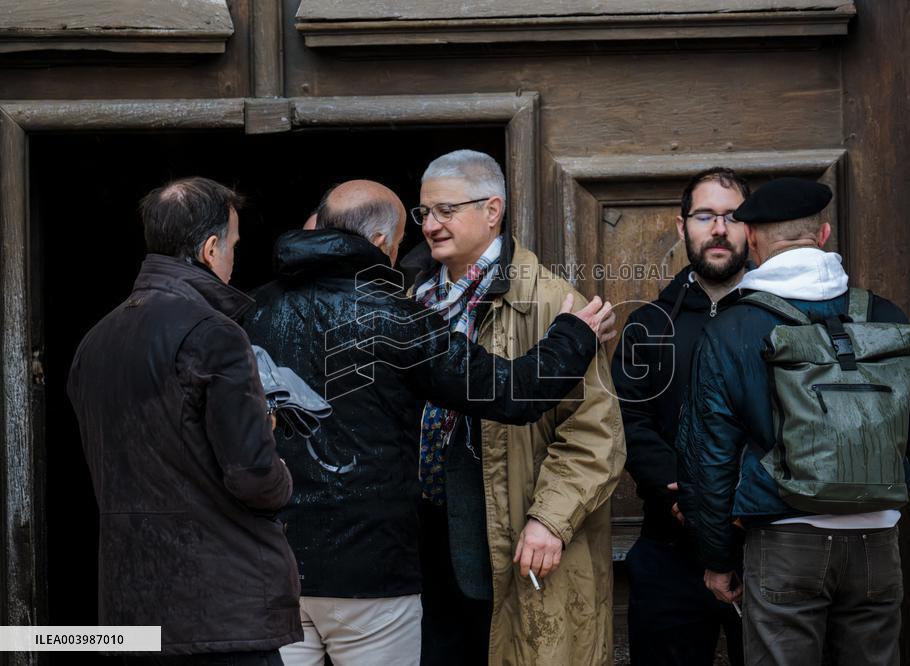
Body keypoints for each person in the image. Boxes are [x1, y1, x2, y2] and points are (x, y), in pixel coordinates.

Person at [241, 179, 615, 666]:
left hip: (275, 565)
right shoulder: (394, 315)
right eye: (399, 242)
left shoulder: (250, 311)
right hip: (372, 575)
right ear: (379, 243)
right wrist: (573, 335)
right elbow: (507, 392)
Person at [676, 177, 910, 665]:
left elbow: (708, 461)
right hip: (876, 545)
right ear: (822, 236)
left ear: (752, 240)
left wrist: (717, 560)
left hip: (784, 542)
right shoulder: (883, 314)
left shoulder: (731, 329)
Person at [67, 177, 300, 665]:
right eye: (234, 245)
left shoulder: (94, 342)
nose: (235, 258)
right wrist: (278, 465)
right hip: (220, 610)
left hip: (130, 607)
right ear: (210, 249)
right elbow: (254, 477)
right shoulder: (215, 332)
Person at [407, 150, 625, 665]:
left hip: (513, 533)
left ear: (492, 210)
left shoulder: (553, 301)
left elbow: (596, 433)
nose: (431, 226)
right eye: (423, 214)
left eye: (445, 211)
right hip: (425, 536)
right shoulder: (411, 297)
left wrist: (550, 520)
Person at [612, 167, 749, 666]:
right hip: (667, 547)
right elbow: (627, 416)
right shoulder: (649, 324)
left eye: (732, 216)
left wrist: (732, 504)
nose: (718, 228)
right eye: (705, 215)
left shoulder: (778, 317)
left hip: (763, 548)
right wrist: (682, 493)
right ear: (681, 227)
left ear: (749, 228)